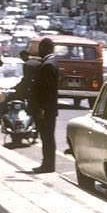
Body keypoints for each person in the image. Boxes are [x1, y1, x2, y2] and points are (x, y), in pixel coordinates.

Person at [31, 37, 59, 173]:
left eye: (40, 48)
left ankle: (48, 165)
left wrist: (41, 108)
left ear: (45, 48)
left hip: (46, 109)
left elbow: (47, 91)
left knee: (46, 137)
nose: (39, 51)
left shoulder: (48, 65)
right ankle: (48, 163)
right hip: (50, 109)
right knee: (48, 137)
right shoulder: (53, 62)